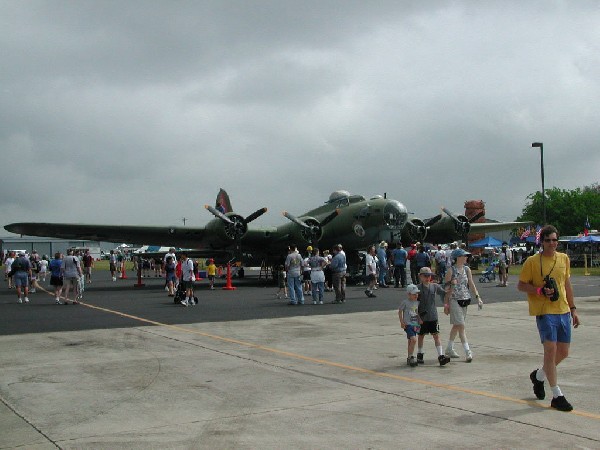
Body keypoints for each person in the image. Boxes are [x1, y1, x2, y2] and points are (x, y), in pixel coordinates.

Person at [517, 225, 580, 412]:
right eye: (548, 240)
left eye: (554, 240)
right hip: (545, 312)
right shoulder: (532, 262)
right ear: (541, 242)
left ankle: (539, 375)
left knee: (563, 352)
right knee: (550, 351)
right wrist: (538, 290)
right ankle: (557, 394)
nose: (552, 244)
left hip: (563, 311)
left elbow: (566, 284)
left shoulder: (564, 259)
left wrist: (573, 308)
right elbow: (521, 285)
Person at [443, 248, 483, 362]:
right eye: (464, 256)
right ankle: (468, 351)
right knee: (461, 325)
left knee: (457, 325)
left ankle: (449, 348)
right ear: (458, 257)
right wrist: (446, 305)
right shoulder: (451, 271)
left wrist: (477, 296)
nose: (466, 258)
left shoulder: (467, 269)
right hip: (454, 300)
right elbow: (445, 289)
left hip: (465, 299)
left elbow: (471, 283)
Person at [416, 267, 451, 366]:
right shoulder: (417, 288)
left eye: (429, 276)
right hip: (422, 316)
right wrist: (417, 316)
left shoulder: (434, 286)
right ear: (420, 277)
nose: (427, 278)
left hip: (433, 316)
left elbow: (444, 293)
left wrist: (450, 287)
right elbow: (413, 304)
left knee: (436, 335)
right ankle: (420, 353)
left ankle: (441, 356)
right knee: (421, 336)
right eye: (425, 276)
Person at [398, 284, 422, 367]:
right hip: (408, 324)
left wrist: (419, 319)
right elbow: (400, 311)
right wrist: (402, 322)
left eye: (417, 293)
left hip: (415, 324)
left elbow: (416, 312)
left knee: (410, 341)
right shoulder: (405, 302)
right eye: (414, 294)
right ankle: (412, 356)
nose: (416, 295)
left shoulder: (417, 302)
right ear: (408, 294)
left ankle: (409, 357)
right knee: (414, 340)